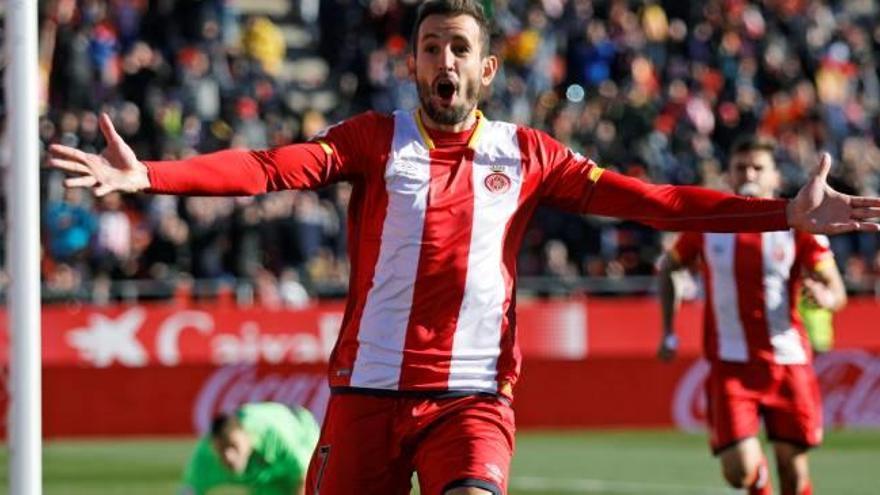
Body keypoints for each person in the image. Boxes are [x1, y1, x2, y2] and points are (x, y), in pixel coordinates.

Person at [48, 1, 880, 493]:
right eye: (430, 47)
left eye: (460, 50)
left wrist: (782, 214)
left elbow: (656, 201)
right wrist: (151, 175)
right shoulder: (373, 141)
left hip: (470, 398)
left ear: (486, 70)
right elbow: (269, 167)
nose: (443, 61)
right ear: (412, 61)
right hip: (366, 393)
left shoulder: (529, 155)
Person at [656, 135, 848, 495]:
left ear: (775, 176)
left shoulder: (798, 226)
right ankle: (759, 484)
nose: (749, 174)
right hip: (731, 366)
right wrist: (668, 328)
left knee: (792, 473)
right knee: (739, 471)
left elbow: (836, 290)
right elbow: (669, 267)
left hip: (787, 363)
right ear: (728, 175)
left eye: (758, 167)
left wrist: (825, 293)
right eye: (741, 167)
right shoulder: (707, 224)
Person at [179, 402, 319, 495]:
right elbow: (190, 490)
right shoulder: (205, 456)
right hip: (266, 477)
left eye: (233, 446)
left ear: (247, 436)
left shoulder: (274, 435)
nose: (229, 456)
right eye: (221, 450)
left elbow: (305, 476)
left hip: (303, 432)